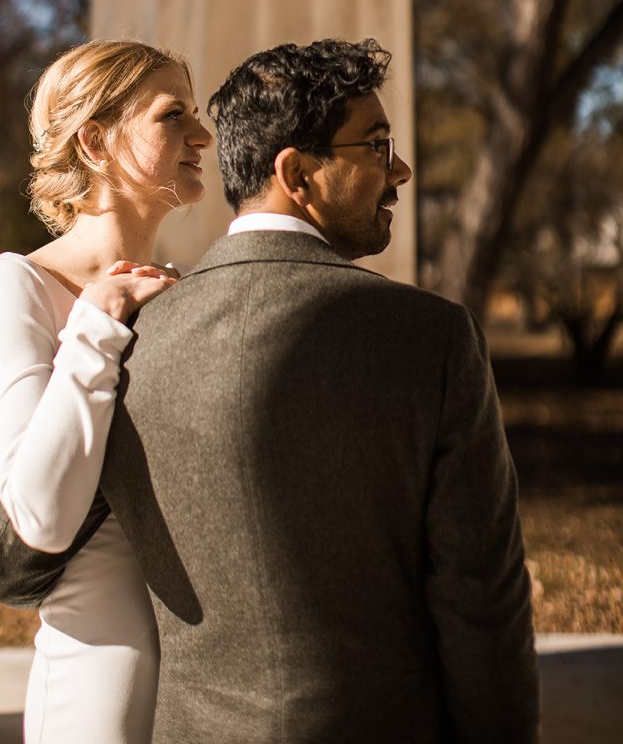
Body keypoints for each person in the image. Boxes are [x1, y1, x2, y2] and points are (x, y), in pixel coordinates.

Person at [101, 37, 540, 744]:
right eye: (376, 145)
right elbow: (479, 600)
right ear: (297, 173)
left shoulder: (127, 342)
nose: (400, 168)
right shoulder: (432, 339)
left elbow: (15, 558)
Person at [0, 39, 212, 744]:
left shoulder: (192, 287)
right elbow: (41, 516)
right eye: (173, 117)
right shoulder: (15, 287)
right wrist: (97, 324)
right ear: (96, 141)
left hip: (215, 681)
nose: (202, 135)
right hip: (100, 692)